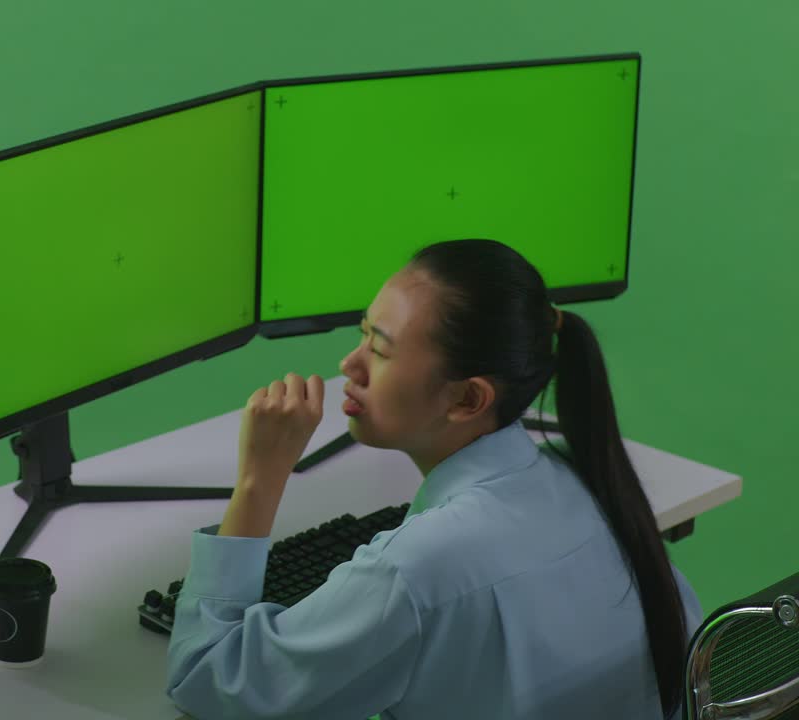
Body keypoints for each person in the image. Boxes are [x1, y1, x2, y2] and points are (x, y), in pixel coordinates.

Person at [164, 238, 702, 719]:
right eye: (362, 334)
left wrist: (259, 480)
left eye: (379, 349)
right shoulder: (583, 477)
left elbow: (208, 680)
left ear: (467, 399)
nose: (349, 364)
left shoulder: (414, 567)